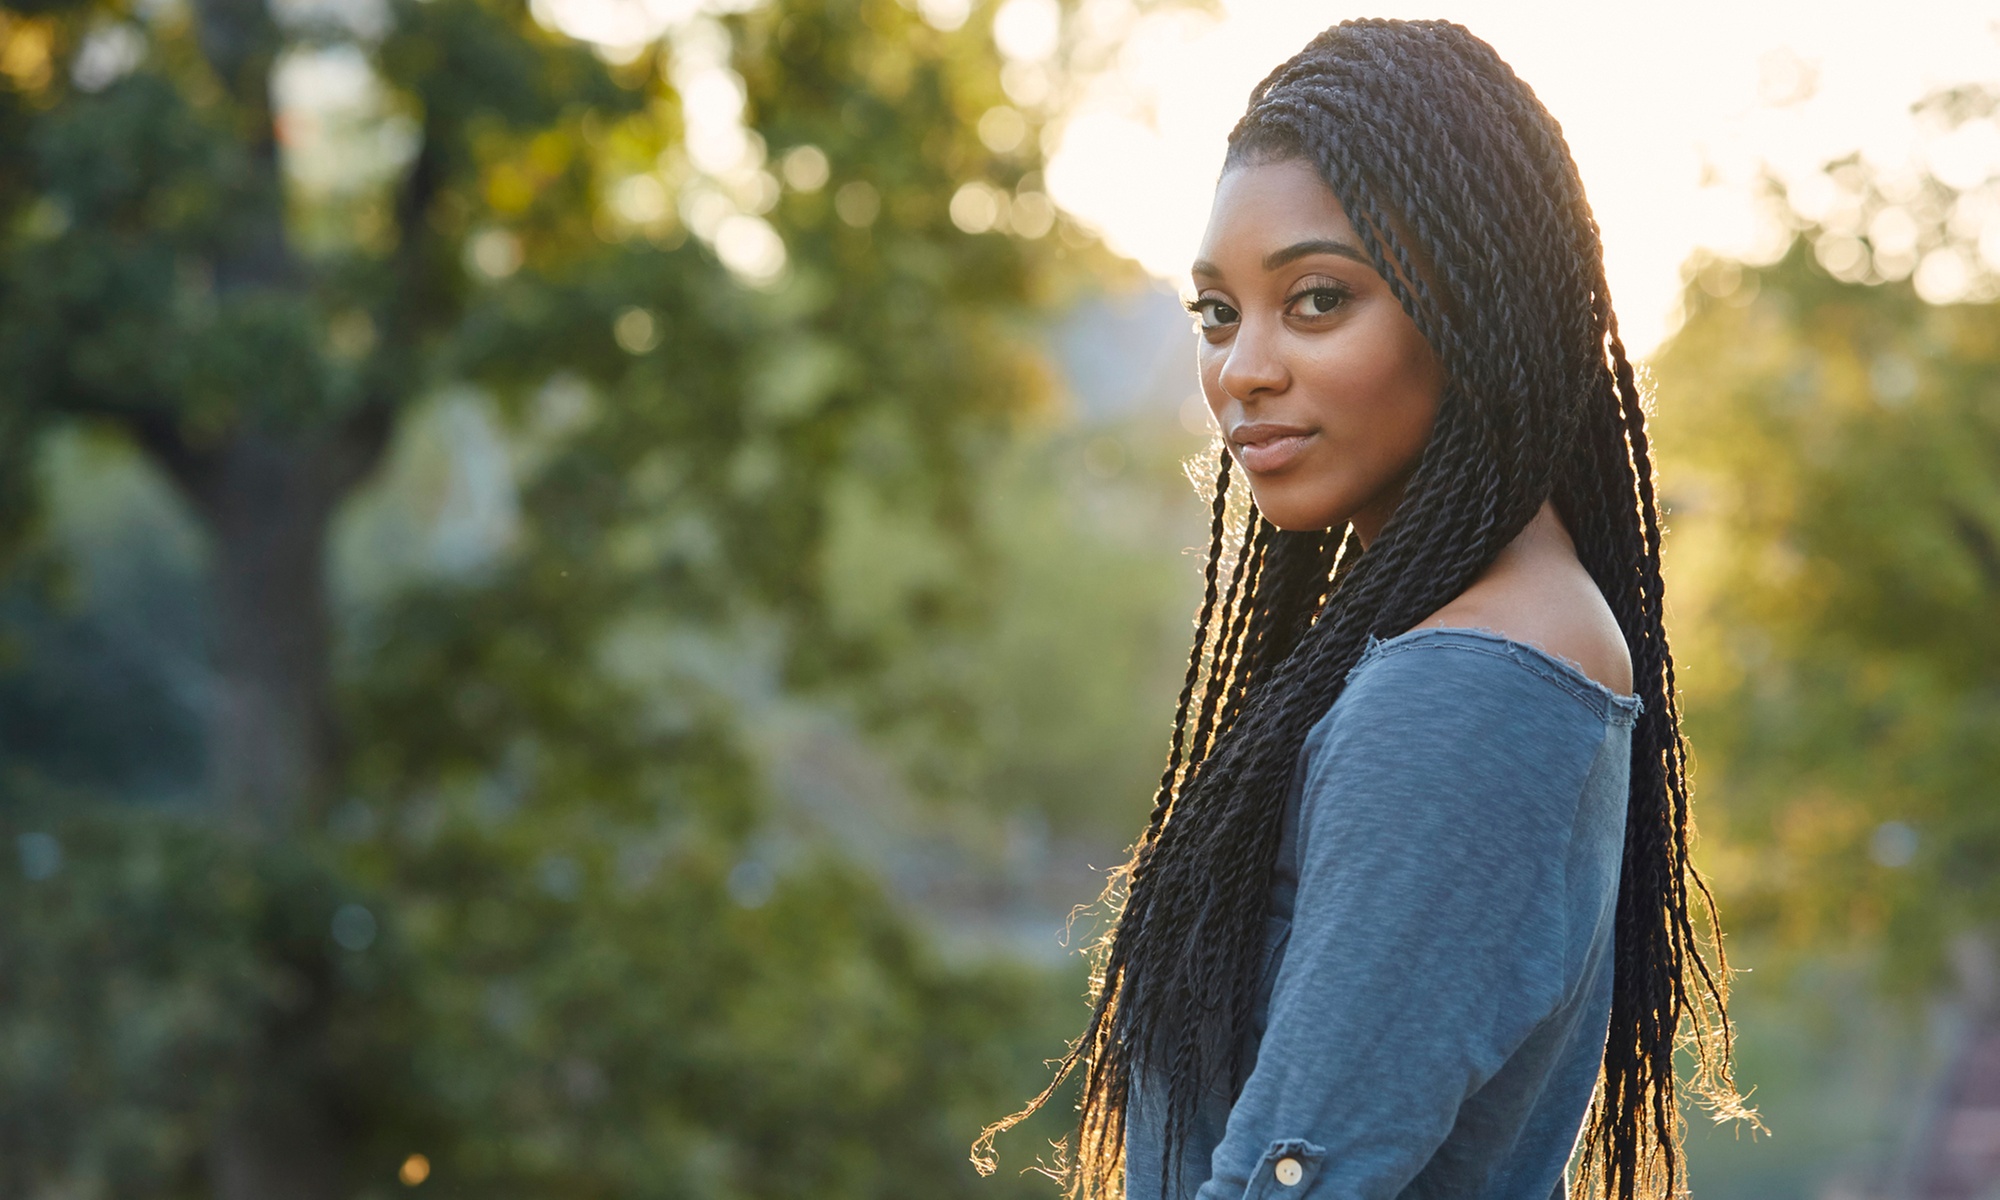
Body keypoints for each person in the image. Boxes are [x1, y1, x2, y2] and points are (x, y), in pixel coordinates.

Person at [974, 18, 1751, 1200]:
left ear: (1476, 313)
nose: (1241, 367)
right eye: (1216, 312)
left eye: (1317, 298)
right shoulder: (1500, 639)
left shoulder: (1473, 686)